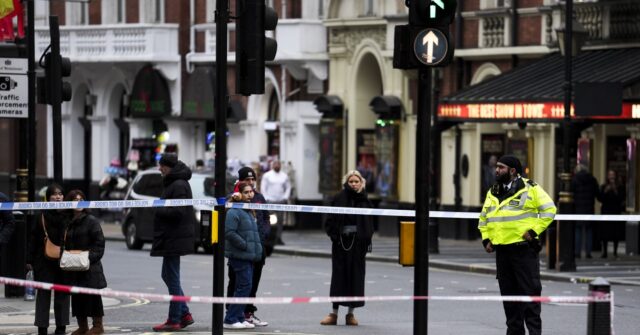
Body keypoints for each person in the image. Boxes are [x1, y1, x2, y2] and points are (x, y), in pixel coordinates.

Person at [478, 155, 556, 335]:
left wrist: (534, 231)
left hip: (523, 251)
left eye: (501, 167)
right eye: (497, 167)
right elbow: (484, 218)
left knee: (530, 300)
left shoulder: (530, 188)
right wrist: (486, 239)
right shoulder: (493, 191)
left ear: (513, 171)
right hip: (503, 253)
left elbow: (550, 209)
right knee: (510, 302)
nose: (497, 170)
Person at [321, 170, 374, 326]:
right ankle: (334, 313)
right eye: (351, 181)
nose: (353, 184)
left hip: (357, 246)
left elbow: (369, 223)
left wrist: (364, 239)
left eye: (356, 181)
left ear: (361, 183)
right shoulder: (338, 198)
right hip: (340, 244)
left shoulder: (364, 200)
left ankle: (350, 314)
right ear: (346, 182)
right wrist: (335, 237)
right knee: (339, 277)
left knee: (355, 278)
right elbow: (329, 219)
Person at [151, 153, 196, 332]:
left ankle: (175, 319)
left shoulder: (178, 185)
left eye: (162, 165)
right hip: (172, 237)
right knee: (168, 276)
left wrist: (158, 207)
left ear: (169, 166)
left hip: (174, 237)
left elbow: (178, 212)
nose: (159, 168)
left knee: (172, 277)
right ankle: (184, 313)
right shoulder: (176, 182)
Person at [225, 167, 270, 327]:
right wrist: (244, 244)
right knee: (238, 283)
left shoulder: (257, 199)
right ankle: (232, 315)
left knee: (250, 284)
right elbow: (229, 230)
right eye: (247, 180)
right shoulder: (235, 202)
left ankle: (245, 314)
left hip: (256, 249)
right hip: (242, 251)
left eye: (253, 180)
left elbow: (265, 218)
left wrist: (262, 236)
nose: (251, 185)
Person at [26, 184, 71, 335]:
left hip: (63, 261)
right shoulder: (42, 216)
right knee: (43, 297)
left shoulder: (68, 215)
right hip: (43, 262)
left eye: (60, 194)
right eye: (54, 194)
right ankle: (42, 328)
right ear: (48, 197)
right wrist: (30, 260)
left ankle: (61, 327)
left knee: (63, 296)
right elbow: (33, 239)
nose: (58, 196)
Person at [63, 190, 107, 335]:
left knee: (93, 297)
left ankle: (98, 326)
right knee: (77, 298)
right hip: (73, 266)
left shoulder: (91, 220)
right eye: (75, 200)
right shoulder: (67, 221)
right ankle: (82, 326)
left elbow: (99, 244)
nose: (79, 202)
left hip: (89, 267)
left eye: (81, 199)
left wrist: (88, 258)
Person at [571, 164, 599, 259]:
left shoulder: (575, 180)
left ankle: (577, 252)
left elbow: (571, 193)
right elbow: (597, 194)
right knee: (588, 231)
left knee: (578, 231)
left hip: (578, 209)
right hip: (589, 208)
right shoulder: (592, 180)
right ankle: (588, 252)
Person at [260, 161, 291, 245]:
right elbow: (263, 187)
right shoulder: (267, 175)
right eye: (275, 164)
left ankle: (278, 238)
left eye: (278, 164)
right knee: (268, 219)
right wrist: (266, 198)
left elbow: (288, 187)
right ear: (272, 165)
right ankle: (268, 236)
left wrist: (285, 197)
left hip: (280, 201)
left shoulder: (284, 176)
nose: (277, 165)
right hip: (270, 201)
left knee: (280, 221)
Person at [598, 169, 625, 258]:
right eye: (610, 175)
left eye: (613, 175)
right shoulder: (604, 186)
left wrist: (615, 190)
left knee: (615, 232)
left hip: (615, 211)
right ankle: (604, 251)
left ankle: (615, 251)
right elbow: (600, 198)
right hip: (606, 211)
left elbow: (621, 199)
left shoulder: (620, 186)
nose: (611, 177)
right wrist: (606, 190)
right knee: (605, 232)